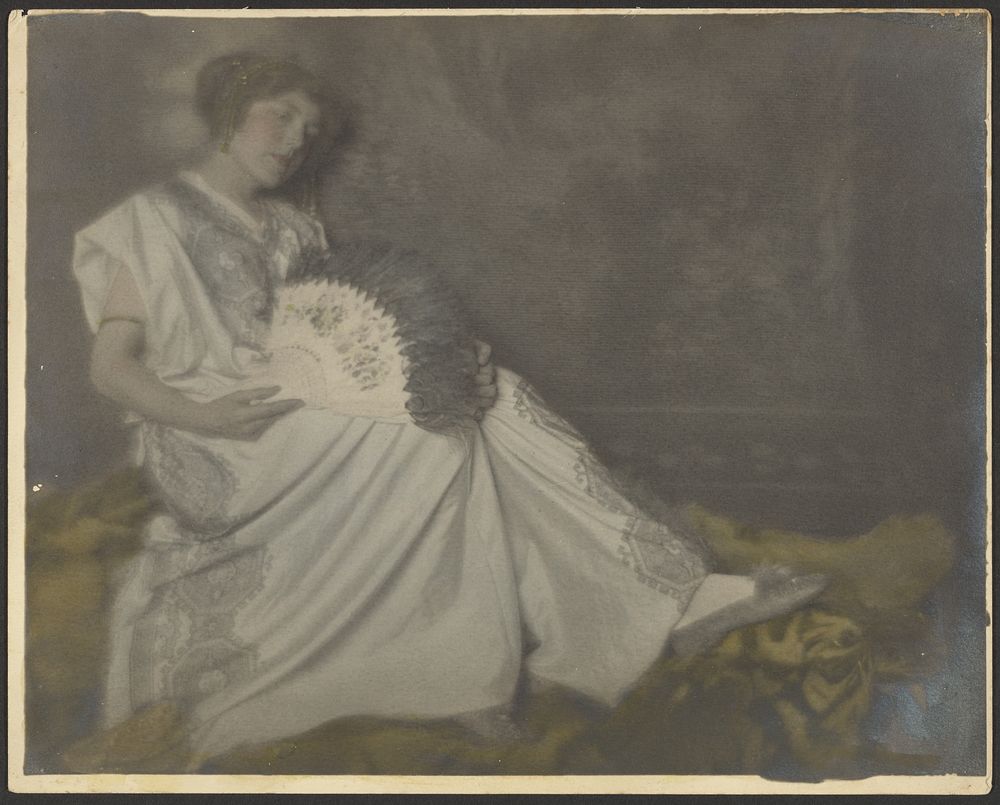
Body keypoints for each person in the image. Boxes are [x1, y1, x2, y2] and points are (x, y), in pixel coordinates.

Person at [72, 52, 826, 766]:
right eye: (281, 116)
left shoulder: (295, 228)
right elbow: (111, 368)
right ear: (233, 112)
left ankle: (669, 596)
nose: (296, 140)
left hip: (306, 407)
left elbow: (337, 339)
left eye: (308, 129)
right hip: (216, 435)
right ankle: (463, 678)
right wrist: (204, 418)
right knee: (441, 437)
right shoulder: (155, 218)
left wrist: (437, 366)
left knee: (494, 399)